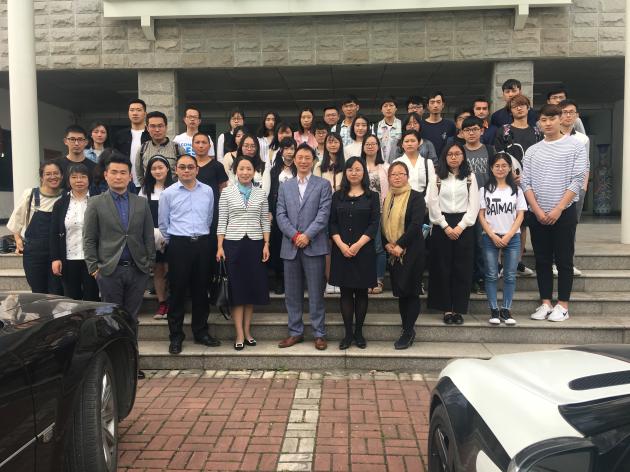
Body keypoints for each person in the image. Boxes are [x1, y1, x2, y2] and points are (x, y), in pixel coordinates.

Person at [83, 151, 155, 379]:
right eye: (113, 172)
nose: (118, 176)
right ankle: (114, 366)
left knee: (132, 318)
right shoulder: (95, 203)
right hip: (109, 270)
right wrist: (94, 267)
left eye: (123, 172)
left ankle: (132, 363)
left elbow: (148, 236)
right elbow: (89, 238)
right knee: (112, 319)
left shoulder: (141, 203)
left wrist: (149, 264)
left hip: (136, 269)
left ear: (130, 176)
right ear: (106, 175)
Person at [523, 104, 588, 323]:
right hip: (538, 213)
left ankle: (563, 305)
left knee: (563, 260)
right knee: (542, 260)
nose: (548, 123)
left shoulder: (576, 146)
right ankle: (545, 303)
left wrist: (559, 208)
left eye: (552, 118)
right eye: (544, 120)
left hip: (564, 212)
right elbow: (526, 182)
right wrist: (537, 210)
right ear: (539, 123)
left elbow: (577, 180)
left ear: (561, 119)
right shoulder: (533, 150)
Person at [158, 154, 220, 354]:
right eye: (182, 167)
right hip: (179, 246)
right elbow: (163, 224)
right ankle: (176, 336)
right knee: (177, 292)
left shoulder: (208, 191)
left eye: (190, 167)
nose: (186, 170)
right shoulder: (168, 193)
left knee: (201, 290)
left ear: (197, 169)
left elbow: (209, 217)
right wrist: (175, 243)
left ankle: (201, 332)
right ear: (176, 170)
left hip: (203, 244)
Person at [276, 143, 332, 351]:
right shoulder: (285, 186)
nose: (303, 161)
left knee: (316, 293)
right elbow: (280, 214)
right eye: (300, 157)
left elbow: (324, 214)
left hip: (314, 245)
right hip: (290, 246)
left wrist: (307, 235)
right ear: (294, 159)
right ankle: (295, 332)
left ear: (313, 160)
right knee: (292, 294)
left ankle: (319, 334)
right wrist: (295, 235)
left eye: (307, 157)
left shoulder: (323, 185)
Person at [216, 155, 271, 350]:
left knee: (251, 290)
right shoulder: (226, 193)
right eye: (241, 169)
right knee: (237, 291)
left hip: (255, 245)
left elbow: (264, 220)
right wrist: (220, 246)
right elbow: (222, 220)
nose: (245, 172)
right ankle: (239, 333)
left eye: (249, 169)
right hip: (233, 245)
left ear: (254, 171)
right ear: (235, 171)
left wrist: (266, 244)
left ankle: (247, 332)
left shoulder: (260, 193)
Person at [329, 157, 380, 349]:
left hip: (363, 251)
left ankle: (359, 332)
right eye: (350, 169)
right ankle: (348, 334)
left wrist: (358, 245)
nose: (354, 173)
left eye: (358, 169)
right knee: (345, 293)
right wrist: (341, 245)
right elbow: (332, 223)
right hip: (341, 250)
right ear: (346, 172)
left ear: (363, 172)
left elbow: (374, 224)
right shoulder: (337, 196)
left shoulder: (372, 196)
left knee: (361, 293)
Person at [427, 142, 479, 325]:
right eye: (450, 154)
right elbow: (432, 203)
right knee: (442, 268)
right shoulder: (437, 177)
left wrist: (461, 226)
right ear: (444, 157)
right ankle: (446, 309)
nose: (454, 157)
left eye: (458, 154)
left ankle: (458, 308)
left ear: (463, 156)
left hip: (464, 226)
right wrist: (445, 226)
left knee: (462, 269)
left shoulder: (470, 177)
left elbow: (474, 205)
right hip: (442, 225)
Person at [494, 94, 541, 278]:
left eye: (522, 105)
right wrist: (509, 174)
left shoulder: (536, 131)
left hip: (530, 184)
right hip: (507, 183)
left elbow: (541, 156)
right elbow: (498, 155)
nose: (519, 108)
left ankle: (518, 262)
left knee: (523, 224)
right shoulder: (504, 131)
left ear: (528, 107)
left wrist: (528, 178)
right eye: (515, 106)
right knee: (502, 220)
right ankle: (499, 264)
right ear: (510, 110)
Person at [381, 161, 426, 349]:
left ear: (407, 176)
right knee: (401, 292)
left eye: (401, 173)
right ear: (389, 178)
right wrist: (387, 244)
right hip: (394, 253)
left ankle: (408, 331)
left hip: (412, 251)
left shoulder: (416, 197)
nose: (397, 177)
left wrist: (400, 245)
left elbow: (416, 224)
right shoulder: (388, 198)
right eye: (393, 174)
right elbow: (383, 224)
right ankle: (405, 326)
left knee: (411, 291)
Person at [478, 153, 526, 325]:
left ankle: (506, 309)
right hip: (490, 237)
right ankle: (494, 309)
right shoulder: (484, 190)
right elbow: (481, 215)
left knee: (510, 275)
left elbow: (520, 215)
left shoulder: (517, 191)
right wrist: (492, 235)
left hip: (512, 237)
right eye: (497, 166)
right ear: (491, 168)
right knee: (491, 275)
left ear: (510, 168)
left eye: (504, 165)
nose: (500, 169)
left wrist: (509, 235)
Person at [8, 161, 64, 294]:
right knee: (38, 291)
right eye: (48, 174)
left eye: (56, 173)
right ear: (41, 177)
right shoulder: (31, 194)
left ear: (62, 176)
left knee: (57, 292)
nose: (53, 177)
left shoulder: (66, 196)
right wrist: (18, 239)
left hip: (58, 252)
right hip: (34, 252)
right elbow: (17, 218)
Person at [50, 163, 99, 301]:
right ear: (68, 180)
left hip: (92, 260)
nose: (79, 180)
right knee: (71, 299)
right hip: (69, 258)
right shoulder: (60, 204)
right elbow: (54, 233)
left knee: (92, 298)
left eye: (83, 176)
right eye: (74, 177)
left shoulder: (98, 200)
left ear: (89, 179)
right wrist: (55, 258)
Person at [461, 116, 495, 295]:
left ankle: (482, 278)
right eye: (467, 130)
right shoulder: (458, 151)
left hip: (486, 204)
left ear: (482, 130)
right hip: (464, 204)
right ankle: (470, 279)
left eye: (475, 129)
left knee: (483, 243)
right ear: (462, 133)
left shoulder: (490, 150)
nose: (471, 133)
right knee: (468, 244)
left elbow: (497, 175)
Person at [139, 156, 174, 320]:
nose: (157, 171)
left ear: (167, 169)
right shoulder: (145, 190)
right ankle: (162, 302)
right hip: (153, 236)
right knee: (158, 269)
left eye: (161, 167)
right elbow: (141, 215)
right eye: (154, 168)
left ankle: (173, 301)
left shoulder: (175, 188)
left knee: (172, 269)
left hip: (173, 235)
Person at [559, 98, 590, 277]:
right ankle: (554, 262)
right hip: (555, 188)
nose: (568, 115)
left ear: (577, 115)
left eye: (571, 112)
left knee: (571, 227)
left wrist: (583, 187)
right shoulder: (550, 135)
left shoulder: (582, 138)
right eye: (564, 112)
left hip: (577, 189)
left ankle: (568, 262)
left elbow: (586, 164)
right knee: (555, 226)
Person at [315, 132, 345, 294]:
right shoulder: (319, 167)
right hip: (325, 210)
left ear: (340, 144)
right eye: (330, 142)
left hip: (343, 209)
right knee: (327, 246)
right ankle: (329, 279)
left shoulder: (346, 165)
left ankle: (339, 278)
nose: (333, 145)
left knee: (341, 244)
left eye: (335, 142)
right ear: (325, 145)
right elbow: (315, 191)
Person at [266, 137, 297, 295]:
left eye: (292, 148)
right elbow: (270, 192)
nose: (289, 152)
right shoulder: (274, 170)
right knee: (278, 244)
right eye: (286, 148)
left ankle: (293, 280)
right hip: (278, 211)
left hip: (296, 212)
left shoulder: (299, 168)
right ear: (281, 151)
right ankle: (279, 278)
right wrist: (270, 211)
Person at [361, 134, 389, 294]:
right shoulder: (358, 165)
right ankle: (365, 279)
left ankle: (378, 279)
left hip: (380, 211)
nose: (370, 146)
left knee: (378, 246)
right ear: (363, 147)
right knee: (363, 246)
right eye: (367, 144)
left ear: (378, 147)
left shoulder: (385, 166)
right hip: (361, 211)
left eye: (373, 144)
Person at [135, 111, 183, 186]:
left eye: (160, 126)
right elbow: (139, 174)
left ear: (166, 127)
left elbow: (183, 172)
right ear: (147, 128)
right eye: (153, 126)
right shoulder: (143, 149)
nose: (157, 130)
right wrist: (146, 188)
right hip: (150, 191)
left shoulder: (177, 148)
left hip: (172, 191)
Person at [112, 98, 151, 188]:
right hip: (125, 183)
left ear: (145, 114)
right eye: (132, 110)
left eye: (138, 110)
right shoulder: (120, 135)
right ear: (128, 113)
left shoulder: (151, 135)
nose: (135, 113)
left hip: (147, 183)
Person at [393, 130, 436, 197]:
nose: (409, 144)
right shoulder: (396, 163)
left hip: (424, 200)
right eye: (406, 141)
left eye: (413, 141)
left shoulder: (428, 163)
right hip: (402, 200)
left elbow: (432, 187)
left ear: (419, 143)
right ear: (402, 145)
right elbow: (394, 186)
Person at [57, 124, 97, 190]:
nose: (76, 143)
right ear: (65, 141)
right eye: (72, 139)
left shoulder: (95, 168)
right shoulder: (56, 166)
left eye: (80, 139)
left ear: (86, 142)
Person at [421, 92, 456, 158]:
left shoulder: (450, 125)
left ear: (443, 105)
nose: (435, 105)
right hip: (425, 162)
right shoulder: (420, 125)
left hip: (445, 162)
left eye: (438, 102)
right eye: (432, 102)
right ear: (428, 106)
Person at [376, 96, 402, 164]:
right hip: (380, 164)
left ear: (396, 108)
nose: (388, 108)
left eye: (391, 105)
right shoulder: (376, 126)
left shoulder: (402, 125)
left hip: (398, 163)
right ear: (381, 110)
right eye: (385, 106)